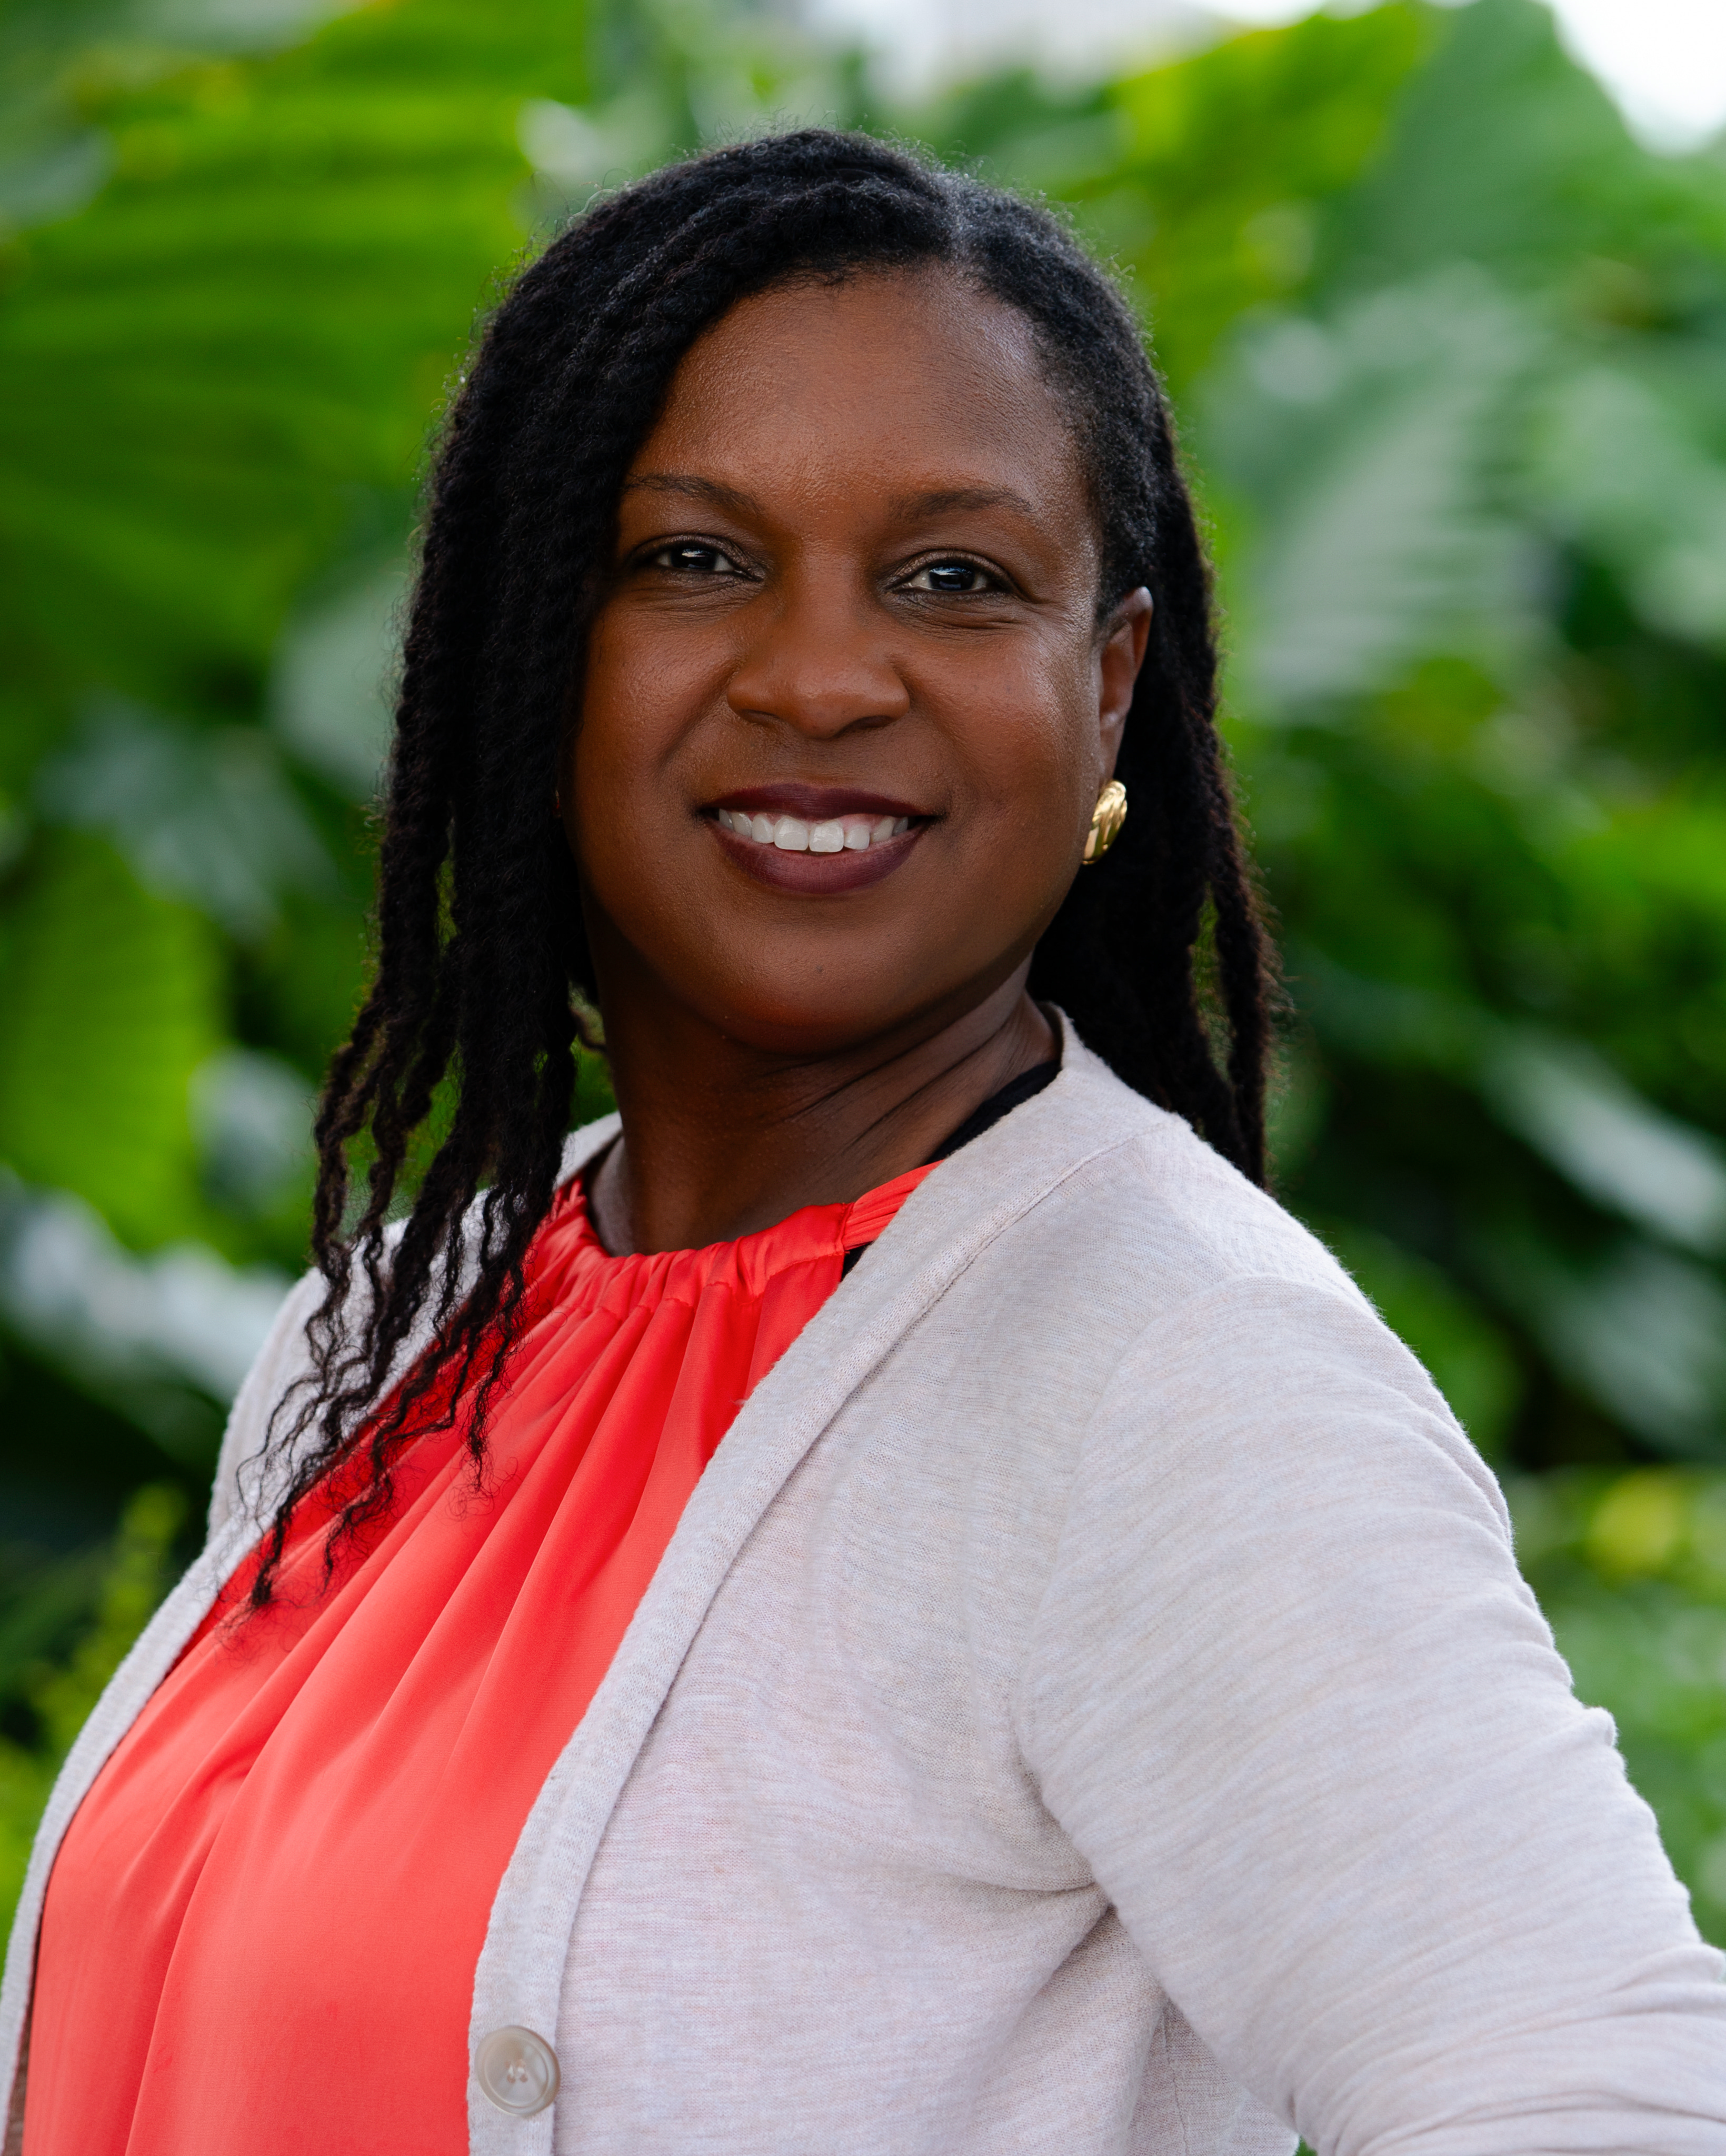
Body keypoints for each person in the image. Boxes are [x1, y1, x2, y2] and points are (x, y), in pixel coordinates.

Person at [3, 129, 1721, 2156]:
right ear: (530, 654)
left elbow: (1601, 2094)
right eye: (695, 559)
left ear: (1108, 687)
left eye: (952, 578)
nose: (822, 675)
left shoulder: (1169, 1377)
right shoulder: (385, 1339)